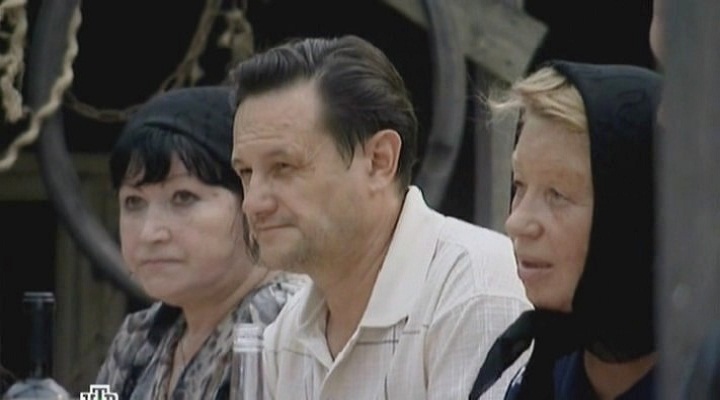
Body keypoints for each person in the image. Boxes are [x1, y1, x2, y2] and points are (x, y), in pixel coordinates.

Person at [228, 35, 530, 399]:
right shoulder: (286, 334)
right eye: (246, 173)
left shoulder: (475, 290)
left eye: (283, 167)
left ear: (379, 161)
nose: (253, 203)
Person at [468, 61, 662, 399]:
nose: (517, 223)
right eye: (519, 185)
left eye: (557, 194)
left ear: (632, 216)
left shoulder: (700, 380)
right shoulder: (542, 374)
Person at [95, 86, 304, 399]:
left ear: (250, 201)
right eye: (134, 202)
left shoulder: (294, 328)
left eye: (183, 197)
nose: (150, 232)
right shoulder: (138, 337)